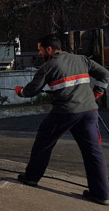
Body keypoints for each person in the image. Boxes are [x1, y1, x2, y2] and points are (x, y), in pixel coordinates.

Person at [14, 34, 109, 205]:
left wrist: (20, 91)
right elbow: (104, 74)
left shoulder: (48, 66)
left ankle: (31, 178)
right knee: (93, 152)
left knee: (44, 142)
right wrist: (98, 92)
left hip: (65, 112)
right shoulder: (82, 60)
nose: (40, 53)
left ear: (49, 49)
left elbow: (32, 90)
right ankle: (101, 194)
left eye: (40, 50)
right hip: (89, 112)